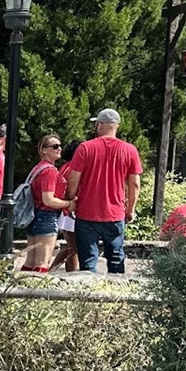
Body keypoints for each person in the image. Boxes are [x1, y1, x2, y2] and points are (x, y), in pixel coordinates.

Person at [64, 108, 142, 273]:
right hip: (115, 213)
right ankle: (117, 288)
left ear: (99, 125)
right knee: (116, 259)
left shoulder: (85, 148)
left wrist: (70, 201)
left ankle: (89, 289)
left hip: (87, 212)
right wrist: (130, 209)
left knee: (88, 262)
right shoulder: (130, 150)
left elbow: (73, 179)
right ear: (117, 126)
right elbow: (134, 184)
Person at [21, 134, 71, 272]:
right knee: (42, 263)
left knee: (30, 261)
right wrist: (68, 204)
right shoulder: (49, 171)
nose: (59, 148)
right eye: (55, 146)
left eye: (60, 146)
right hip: (46, 216)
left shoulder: (38, 168)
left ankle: (22, 285)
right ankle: (38, 285)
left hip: (34, 215)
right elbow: (48, 199)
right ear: (44, 150)